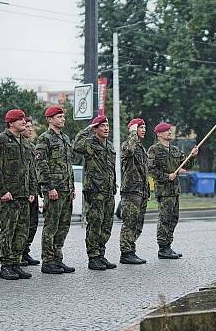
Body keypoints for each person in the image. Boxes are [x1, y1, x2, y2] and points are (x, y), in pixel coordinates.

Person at [0, 109, 36, 280]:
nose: (24, 122)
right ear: (10, 122)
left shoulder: (25, 142)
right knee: (8, 231)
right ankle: (6, 265)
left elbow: (30, 169)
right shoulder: (0, 140)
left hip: (23, 195)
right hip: (9, 195)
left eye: (24, 119)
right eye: (20, 119)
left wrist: (32, 190)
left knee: (21, 231)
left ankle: (16, 262)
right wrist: (1, 191)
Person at [73, 114, 117, 271]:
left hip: (108, 191)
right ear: (95, 129)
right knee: (95, 223)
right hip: (95, 190)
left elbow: (111, 169)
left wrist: (114, 186)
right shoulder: (89, 143)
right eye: (102, 126)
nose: (106, 128)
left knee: (107, 224)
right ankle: (93, 257)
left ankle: (101, 254)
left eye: (107, 126)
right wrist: (87, 129)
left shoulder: (110, 145)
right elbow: (76, 146)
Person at [147, 122, 198, 259]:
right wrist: (166, 176)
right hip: (164, 191)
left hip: (175, 190)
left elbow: (186, 165)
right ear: (159, 134)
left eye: (170, 130)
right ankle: (162, 248)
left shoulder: (175, 150)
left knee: (173, 219)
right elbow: (151, 169)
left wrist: (192, 155)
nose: (169, 132)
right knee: (164, 219)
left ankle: (168, 246)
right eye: (166, 131)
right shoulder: (154, 150)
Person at [35, 105, 75, 275]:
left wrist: (71, 186)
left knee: (63, 226)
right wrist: (49, 187)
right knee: (51, 226)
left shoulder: (65, 138)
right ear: (50, 120)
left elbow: (68, 165)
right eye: (59, 117)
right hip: (54, 190)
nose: (63, 119)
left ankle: (58, 259)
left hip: (66, 189)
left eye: (63, 116)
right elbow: (41, 164)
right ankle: (48, 261)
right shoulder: (44, 139)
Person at [119, 118, 150, 265]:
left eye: (144, 127)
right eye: (140, 127)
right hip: (131, 191)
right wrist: (132, 132)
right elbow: (129, 150)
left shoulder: (141, 148)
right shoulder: (128, 145)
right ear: (133, 130)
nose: (144, 130)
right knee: (129, 222)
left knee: (138, 223)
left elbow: (144, 171)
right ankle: (126, 253)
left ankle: (131, 250)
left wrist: (147, 192)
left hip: (141, 191)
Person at [20, 115, 41, 267]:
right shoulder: (16, 145)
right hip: (21, 192)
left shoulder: (31, 147)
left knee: (32, 224)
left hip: (32, 191)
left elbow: (34, 171)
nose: (30, 129)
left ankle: (25, 251)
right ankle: (17, 254)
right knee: (21, 225)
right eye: (26, 126)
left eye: (31, 126)